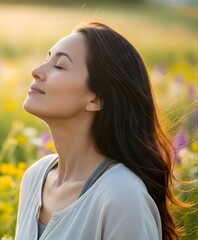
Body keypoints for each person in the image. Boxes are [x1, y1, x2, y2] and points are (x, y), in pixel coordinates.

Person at [15, 22, 182, 240]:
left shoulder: (122, 195)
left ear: (95, 98)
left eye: (59, 66)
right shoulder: (35, 177)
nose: (36, 71)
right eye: (47, 60)